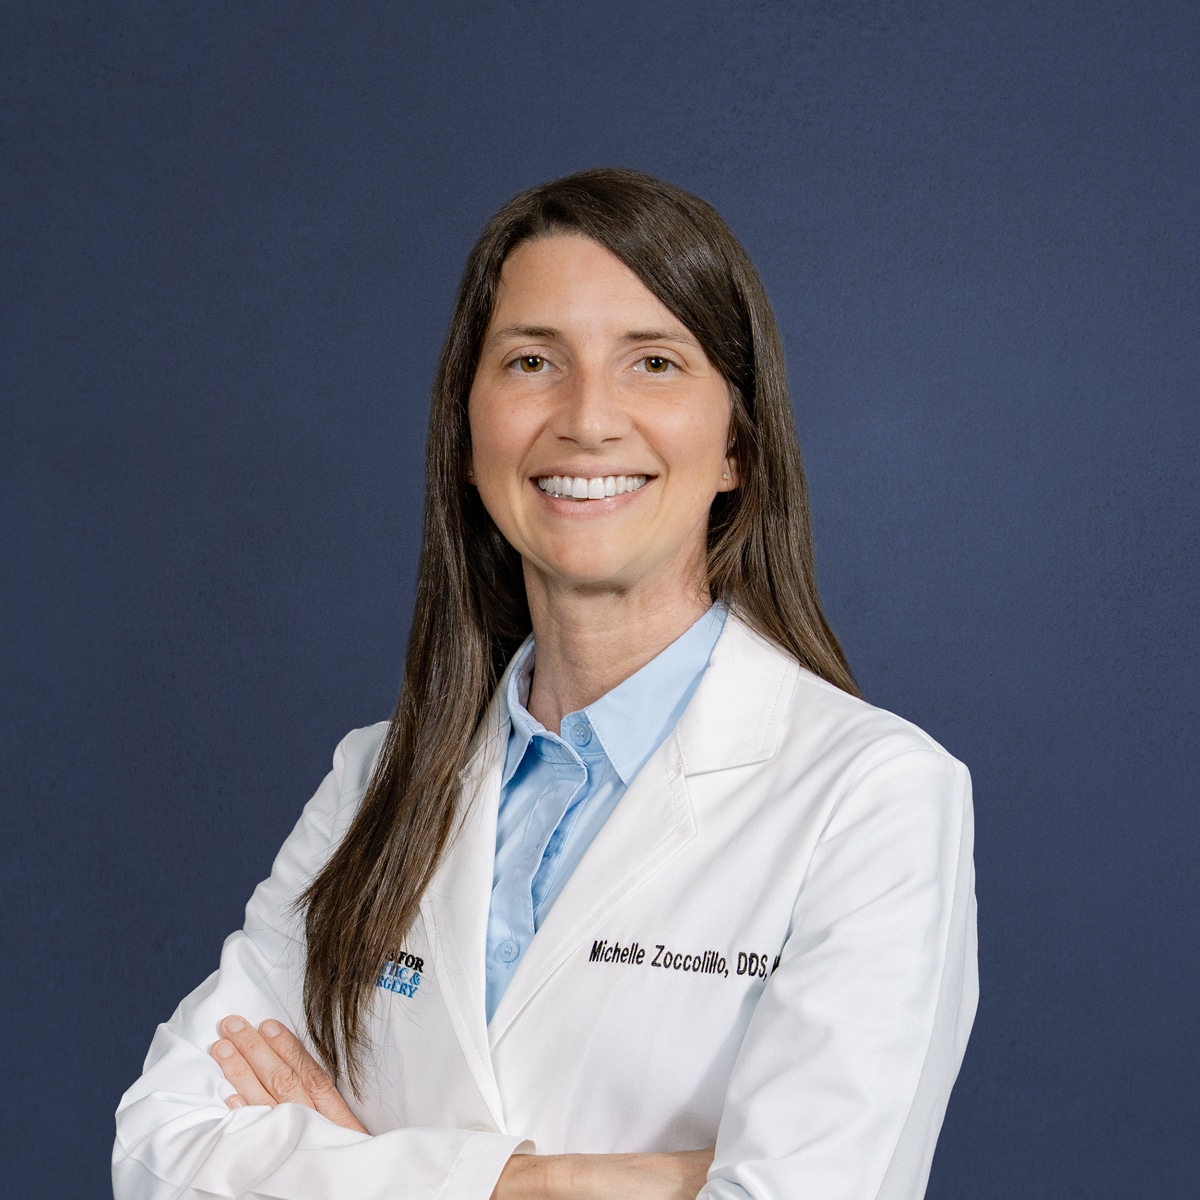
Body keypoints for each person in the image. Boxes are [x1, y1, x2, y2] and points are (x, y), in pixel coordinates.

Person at [113, 168, 977, 1200]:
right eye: (533, 362)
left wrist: (351, 1164)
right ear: (469, 433)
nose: (588, 420)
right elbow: (165, 1146)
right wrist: (537, 1184)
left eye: (654, 363)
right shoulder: (372, 781)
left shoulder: (872, 798)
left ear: (738, 444)